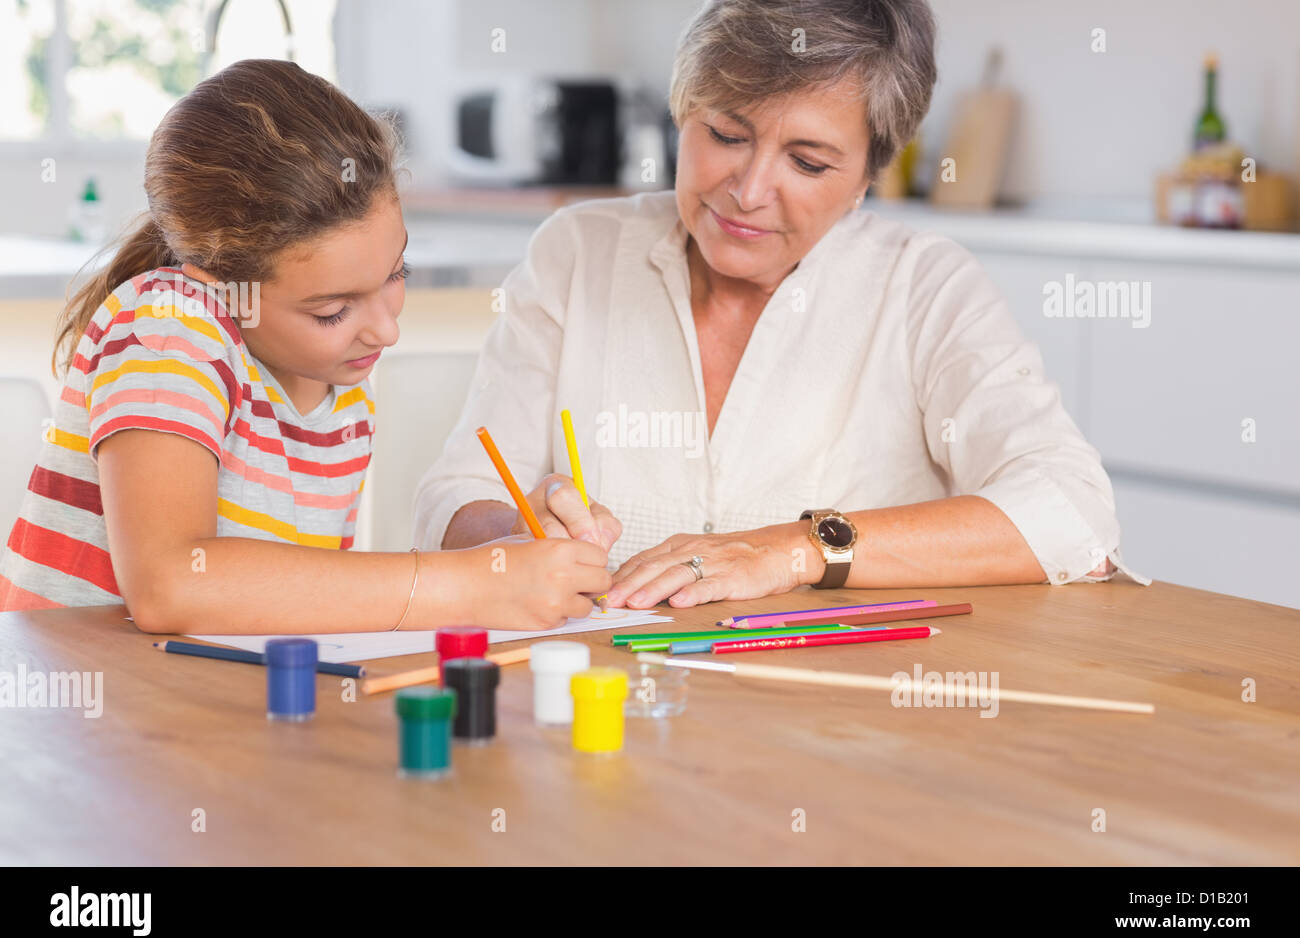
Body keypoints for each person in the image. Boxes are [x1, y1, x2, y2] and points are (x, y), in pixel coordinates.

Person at [414, 0, 1148, 611]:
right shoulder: (577, 252)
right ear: (682, 112)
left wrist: (796, 549)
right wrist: (514, 531)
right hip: (612, 714)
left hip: (837, 732)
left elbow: (1073, 511)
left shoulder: (923, 288)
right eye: (726, 133)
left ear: (867, 175)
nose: (750, 189)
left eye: (807, 162)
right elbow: (455, 498)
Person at [0, 59, 609, 632]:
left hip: (198, 712)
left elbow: (289, 600)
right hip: (79, 723)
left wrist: (504, 550)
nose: (385, 330)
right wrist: (470, 586)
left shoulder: (340, 384)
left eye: (396, 274)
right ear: (221, 285)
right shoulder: (168, 322)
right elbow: (170, 585)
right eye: (333, 310)